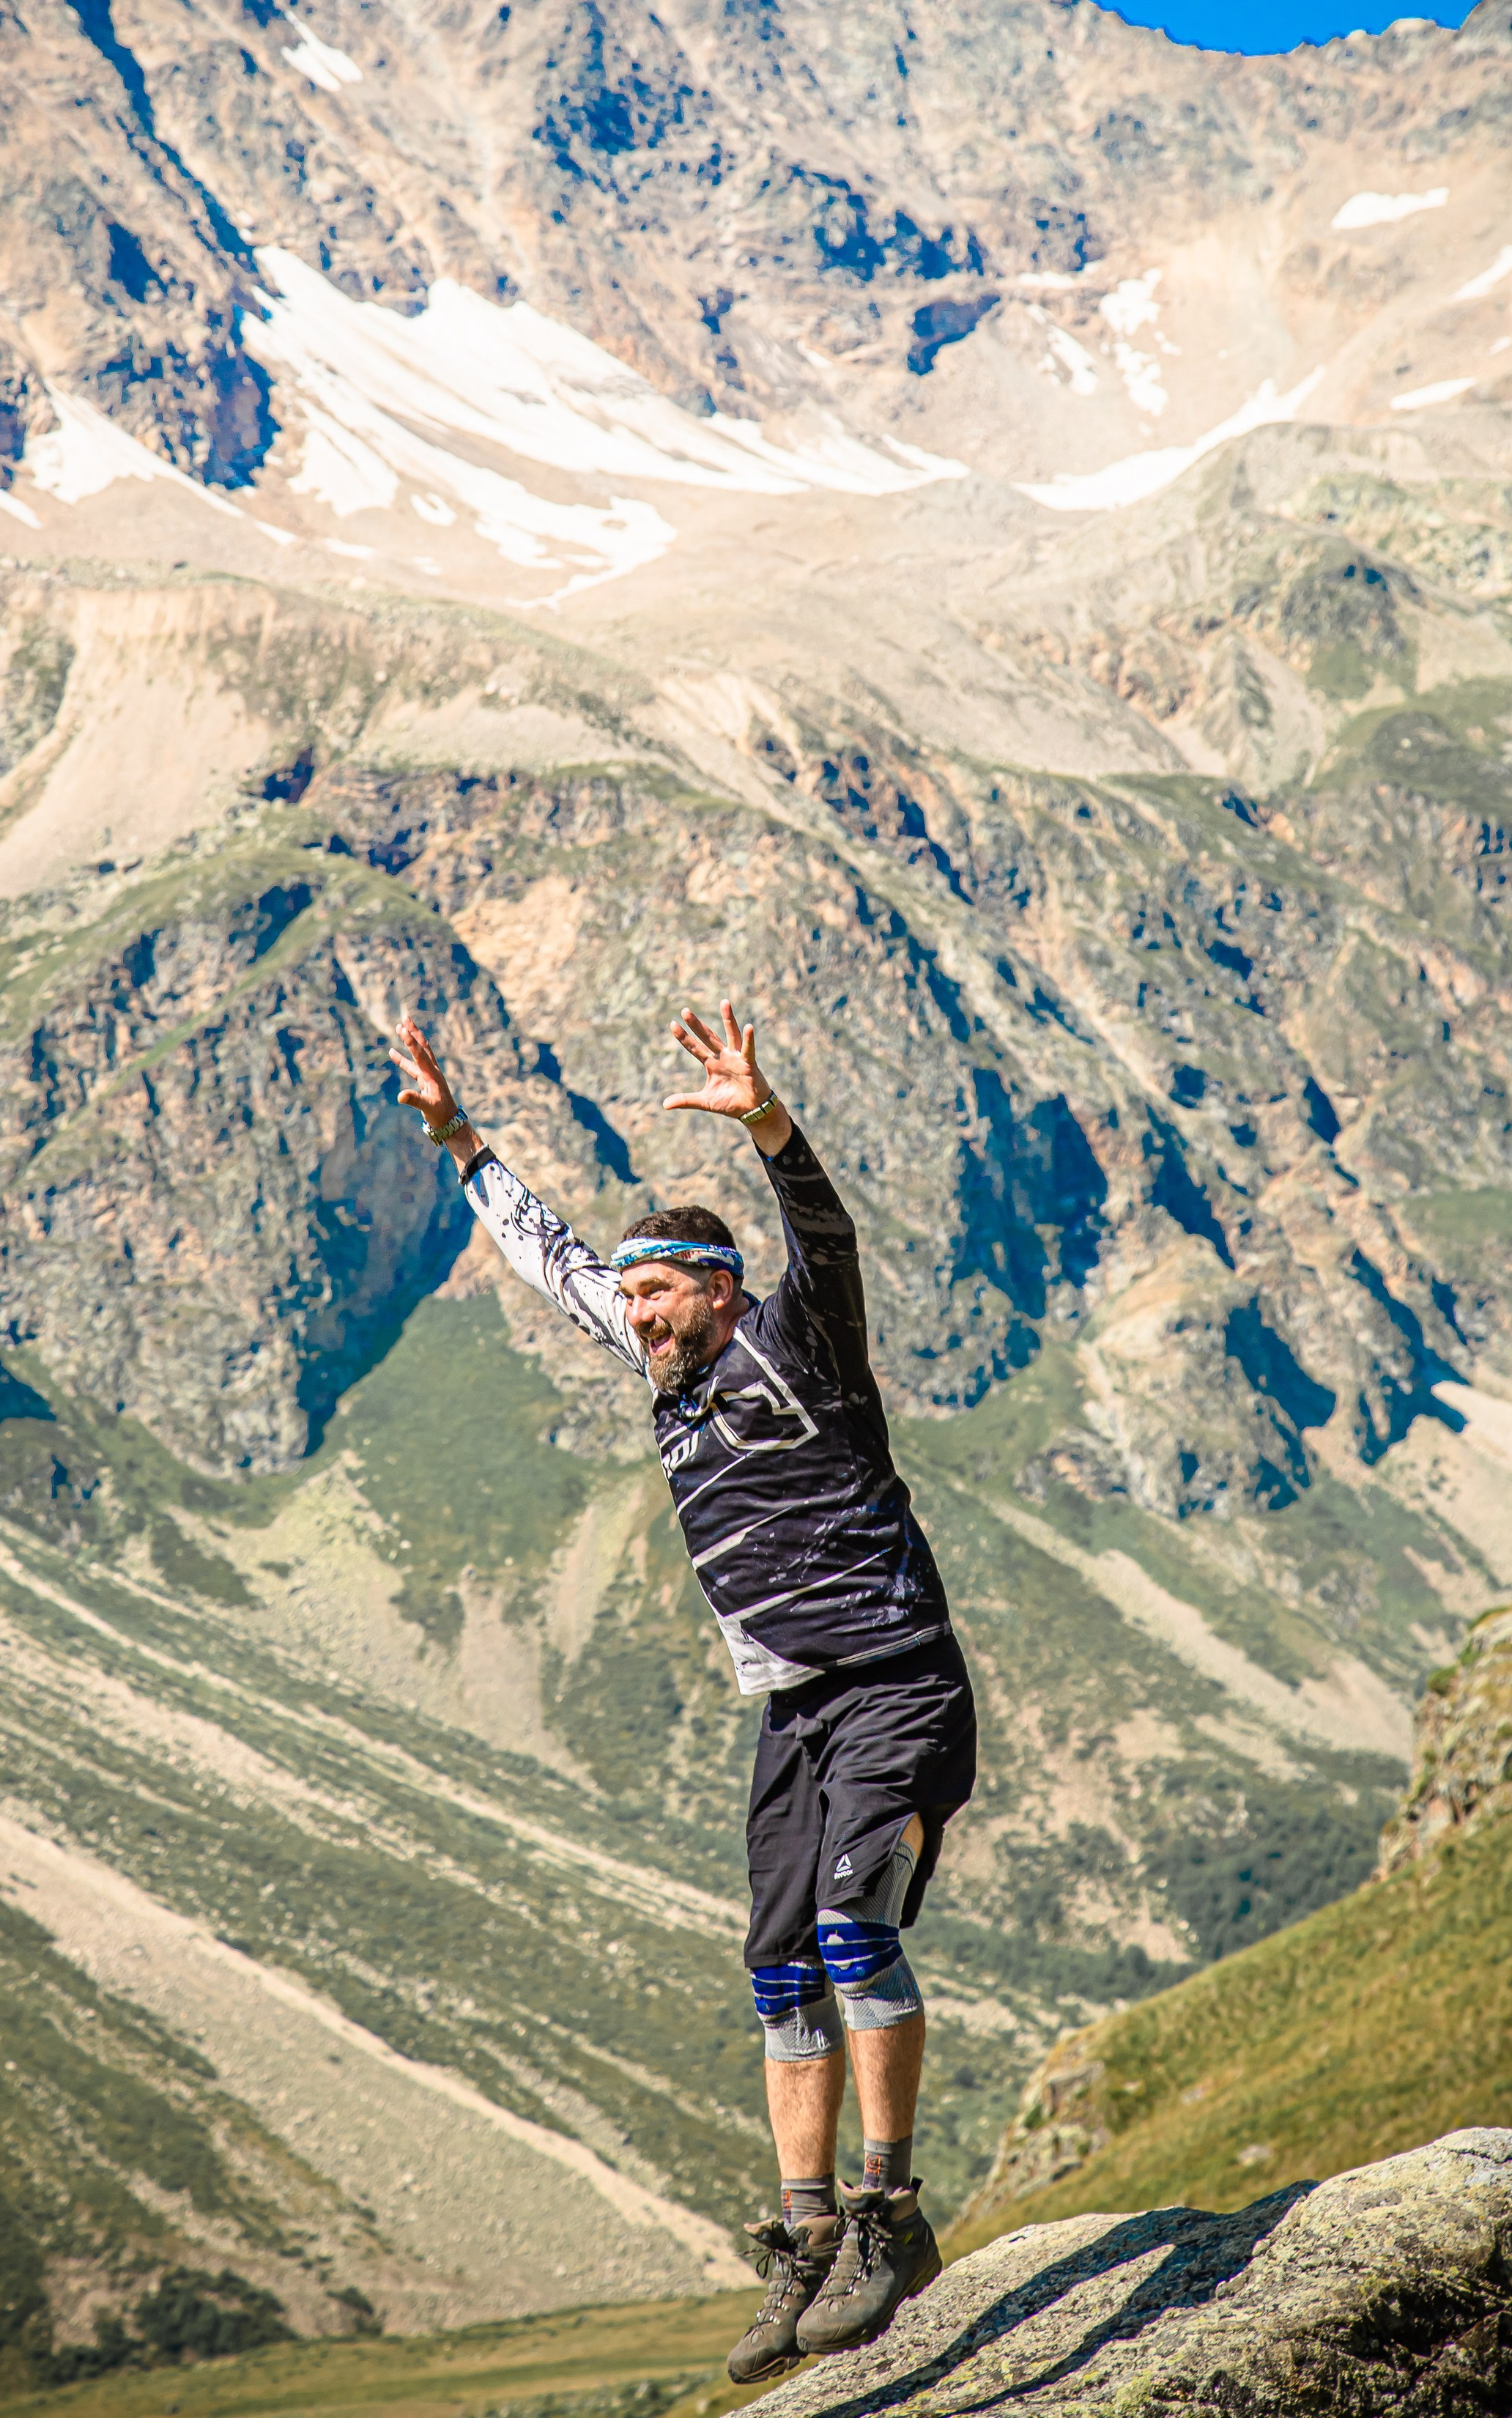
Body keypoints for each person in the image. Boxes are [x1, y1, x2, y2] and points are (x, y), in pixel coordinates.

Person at [390, 1002, 976, 2375]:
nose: (636, 1315)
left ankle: (894, 2215)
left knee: (849, 1931)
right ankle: (808, 2238)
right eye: (634, 1299)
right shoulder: (659, 1362)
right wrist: (462, 1140)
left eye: (659, 1295)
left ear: (719, 1290)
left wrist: (767, 1123)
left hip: (895, 1679)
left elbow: (826, 1242)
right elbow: (549, 1264)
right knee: (778, 1972)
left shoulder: (798, 1345)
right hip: (790, 1711)